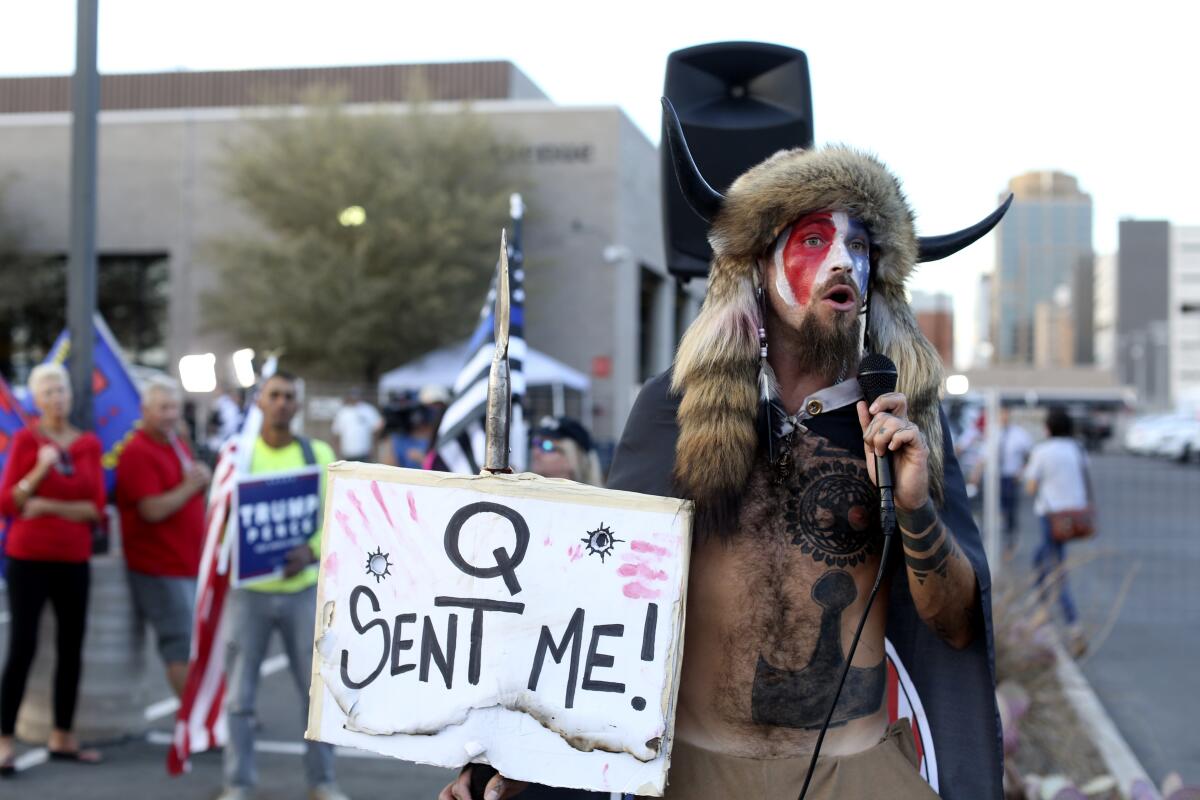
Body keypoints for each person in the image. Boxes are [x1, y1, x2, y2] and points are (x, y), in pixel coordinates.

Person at [442, 111, 1008, 800]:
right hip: (693, 774)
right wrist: (515, 753)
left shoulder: (899, 420)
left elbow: (953, 626)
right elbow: (595, 598)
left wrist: (914, 509)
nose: (842, 262)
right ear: (757, 267)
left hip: (852, 773)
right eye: (812, 240)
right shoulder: (675, 409)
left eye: (859, 246)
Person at [218, 371, 348, 800]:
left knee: (315, 694)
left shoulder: (318, 452)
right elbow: (220, 520)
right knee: (239, 696)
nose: (281, 403)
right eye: (274, 395)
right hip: (250, 594)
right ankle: (238, 784)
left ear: (297, 404)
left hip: (302, 593)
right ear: (259, 402)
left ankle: (321, 782)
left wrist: (309, 552)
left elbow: (337, 515)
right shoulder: (240, 456)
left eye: (290, 396)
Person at [0, 363, 106, 774]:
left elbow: (94, 508)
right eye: (48, 392)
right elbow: (9, 502)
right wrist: (41, 468)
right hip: (28, 558)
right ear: (36, 399)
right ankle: (5, 738)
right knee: (22, 648)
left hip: (73, 560)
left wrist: (44, 505)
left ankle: (63, 733)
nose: (57, 398)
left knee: (71, 648)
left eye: (61, 390)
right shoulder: (27, 440)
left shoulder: (88, 445)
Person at [115, 377, 210, 697]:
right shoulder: (137, 451)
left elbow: (189, 488)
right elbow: (152, 510)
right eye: (163, 408)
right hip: (161, 567)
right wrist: (190, 487)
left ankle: (200, 714)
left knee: (195, 642)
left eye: (175, 407)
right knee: (179, 644)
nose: (171, 415)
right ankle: (190, 719)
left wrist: (201, 479)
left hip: (187, 562)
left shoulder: (174, 440)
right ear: (144, 411)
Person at [1024, 406, 1089, 638]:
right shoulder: (1077, 449)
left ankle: (1071, 622)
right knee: (1042, 558)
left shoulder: (1042, 451)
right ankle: (1040, 608)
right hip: (1073, 514)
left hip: (1051, 516)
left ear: (1048, 427)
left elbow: (1031, 487)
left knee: (1055, 567)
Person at [996, 407, 1033, 551]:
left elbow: (1030, 455)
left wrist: (1022, 472)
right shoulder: (994, 432)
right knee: (998, 508)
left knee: (1010, 509)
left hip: (1011, 477)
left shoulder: (1019, 434)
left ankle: (1010, 539)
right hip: (995, 477)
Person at [529, 416, 602, 486]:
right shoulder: (523, 496)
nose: (536, 453)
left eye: (547, 446)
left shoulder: (590, 498)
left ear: (572, 459)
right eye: (536, 443)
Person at [330, 389, 383, 462]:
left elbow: (377, 427)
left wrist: (374, 448)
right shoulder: (343, 412)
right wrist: (338, 452)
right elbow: (336, 433)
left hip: (364, 452)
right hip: (347, 453)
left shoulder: (368, 409)